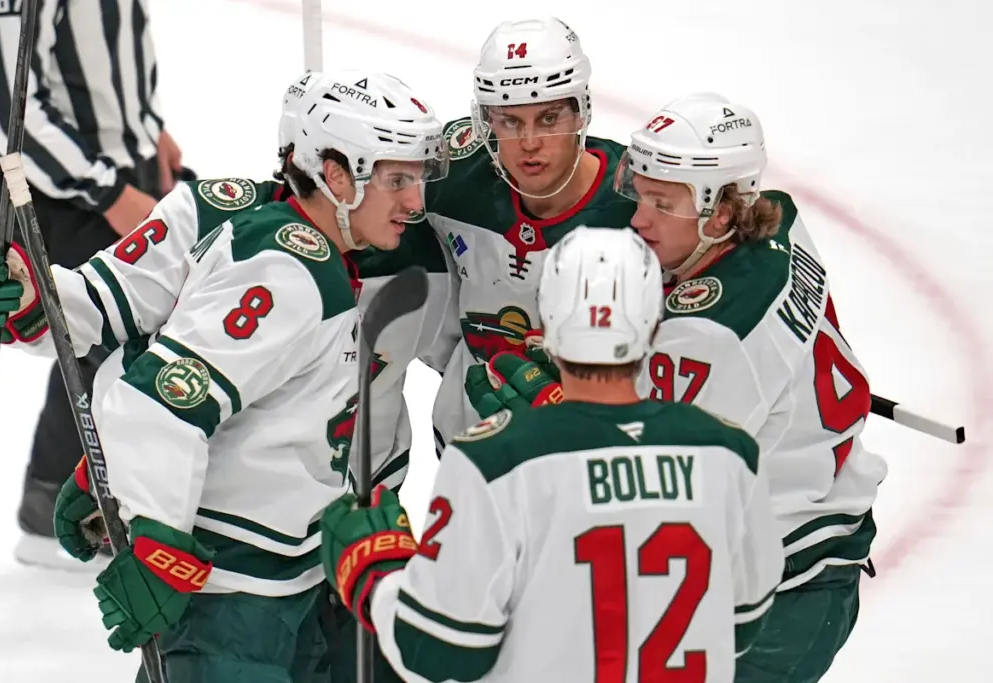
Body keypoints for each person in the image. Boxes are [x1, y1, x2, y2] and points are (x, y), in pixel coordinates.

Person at [0, 70, 449, 682]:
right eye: (397, 180)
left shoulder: (226, 209)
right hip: (236, 597)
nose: (416, 202)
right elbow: (161, 402)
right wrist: (159, 547)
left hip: (307, 575)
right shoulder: (293, 274)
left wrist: (31, 298)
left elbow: (113, 321)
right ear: (337, 175)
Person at [468, 92, 889, 683]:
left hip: (782, 593)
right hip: (792, 536)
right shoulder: (775, 216)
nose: (638, 220)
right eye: (640, 196)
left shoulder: (710, 334)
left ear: (720, 213)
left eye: (662, 204)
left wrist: (557, 406)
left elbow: (645, 480)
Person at [318, 226, 784, 683]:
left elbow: (440, 650)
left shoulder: (497, 460)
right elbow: (742, 623)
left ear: (549, 321)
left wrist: (376, 571)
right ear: (653, 324)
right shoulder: (730, 453)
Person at [0, 0, 184, 567]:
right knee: (102, 327)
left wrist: (147, 131)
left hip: (114, 171)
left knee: (152, 320)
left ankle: (117, 495)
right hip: (49, 190)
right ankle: (54, 508)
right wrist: (110, 193)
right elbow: (7, 114)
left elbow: (103, 52)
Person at [419, 16, 637, 455]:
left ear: (581, 112)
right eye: (510, 122)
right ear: (486, 121)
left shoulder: (639, 208)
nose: (530, 142)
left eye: (549, 118)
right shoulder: (449, 178)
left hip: (591, 453)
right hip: (470, 447)